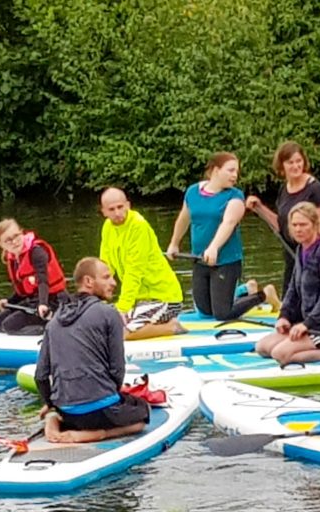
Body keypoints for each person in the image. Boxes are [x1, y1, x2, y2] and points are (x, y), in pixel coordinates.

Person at [36, 257, 150, 443]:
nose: (113, 283)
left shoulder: (54, 320)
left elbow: (40, 375)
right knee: (142, 414)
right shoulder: (109, 313)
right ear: (88, 281)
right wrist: (111, 394)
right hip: (100, 411)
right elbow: (117, 369)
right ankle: (93, 435)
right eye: (106, 277)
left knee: (66, 410)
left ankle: (54, 418)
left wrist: (50, 404)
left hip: (68, 412)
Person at [166, 152, 268, 320]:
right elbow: (184, 218)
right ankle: (244, 290)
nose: (235, 175)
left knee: (222, 314)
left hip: (226, 260)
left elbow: (228, 223)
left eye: (237, 171)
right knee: (205, 311)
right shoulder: (193, 192)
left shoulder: (235, 196)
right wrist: (174, 243)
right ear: (215, 170)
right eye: (230, 170)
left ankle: (262, 295)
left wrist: (213, 247)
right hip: (200, 259)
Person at [255, 202, 320, 366]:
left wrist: (307, 324)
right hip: (310, 322)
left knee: (280, 354)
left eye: (303, 225)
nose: (298, 229)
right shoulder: (301, 249)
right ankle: (305, 344)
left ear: (314, 225)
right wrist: (284, 316)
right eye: (294, 225)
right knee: (262, 348)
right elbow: (293, 289)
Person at [245, 141, 320, 294]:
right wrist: (260, 208)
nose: (295, 166)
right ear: (282, 166)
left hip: (311, 258)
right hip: (291, 257)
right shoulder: (284, 189)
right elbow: (282, 225)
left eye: (299, 161)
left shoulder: (317, 190)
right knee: (290, 301)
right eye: (290, 162)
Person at [99, 187, 186, 340]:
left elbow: (135, 271)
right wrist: (95, 299)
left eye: (120, 207)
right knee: (105, 326)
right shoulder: (107, 227)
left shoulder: (138, 226)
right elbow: (105, 267)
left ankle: (171, 327)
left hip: (164, 298)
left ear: (128, 205)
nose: (117, 213)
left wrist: (123, 308)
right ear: (104, 211)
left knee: (120, 333)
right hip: (139, 300)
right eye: (111, 209)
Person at [0, 218, 69, 335]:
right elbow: (24, 290)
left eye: (16, 236)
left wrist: (43, 304)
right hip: (33, 301)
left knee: (9, 325)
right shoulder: (14, 258)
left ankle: (46, 331)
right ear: (0, 244)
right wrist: (9, 301)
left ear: (22, 233)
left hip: (53, 301)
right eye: (8, 240)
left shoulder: (37, 252)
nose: (14, 242)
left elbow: (43, 281)